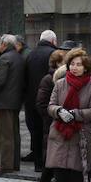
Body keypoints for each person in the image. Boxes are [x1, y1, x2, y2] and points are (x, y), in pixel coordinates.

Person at [46, 48, 91, 182]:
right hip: (60, 134)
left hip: (81, 135)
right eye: (72, 64)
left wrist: (75, 114)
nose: (75, 67)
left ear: (86, 67)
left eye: (79, 65)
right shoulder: (60, 83)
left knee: (78, 175)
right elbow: (50, 106)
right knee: (60, 175)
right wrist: (59, 111)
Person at [0, 34, 26, 176]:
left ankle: (5, 165)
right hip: (14, 101)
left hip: (3, 102)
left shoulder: (5, 58)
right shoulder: (18, 57)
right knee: (13, 134)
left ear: (4, 44)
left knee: (4, 135)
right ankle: (13, 163)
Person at [23, 30, 58, 171]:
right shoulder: (53, 54)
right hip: (47, 100)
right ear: (53, 41)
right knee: (47, 133)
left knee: (35, 132)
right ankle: (46, 164)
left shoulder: (30, 54)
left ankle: (38, 163)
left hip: (32, 100)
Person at [36, 50, 66, 182]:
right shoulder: (49, 79)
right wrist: (52, 117)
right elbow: (41, 104)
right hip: (52, 123)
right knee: (51, 154)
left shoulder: (62, 78)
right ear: (58, 63)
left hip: (59, 122)